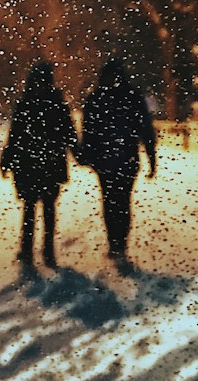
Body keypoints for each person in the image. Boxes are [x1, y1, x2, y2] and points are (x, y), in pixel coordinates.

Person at [80, 58, 157, 268]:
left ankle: (113, 243)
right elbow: (146, 130)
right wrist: (151, 158)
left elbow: (88, 131)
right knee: (123, 201)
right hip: (128, 159)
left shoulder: (96, 98)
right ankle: (121, 244)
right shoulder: (133, 98)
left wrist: (86, 155)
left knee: (109, 200)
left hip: (104, 161)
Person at [0, 61, 78, 270]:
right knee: (49, 209)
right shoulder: (58, 103)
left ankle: (27, 251)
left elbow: (14, 135)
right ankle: (48, 252)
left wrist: (6, 160)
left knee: (29, 208)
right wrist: (79, 153)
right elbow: (68, 133)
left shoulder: (25, 102)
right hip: (52, 164)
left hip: (27, 164)